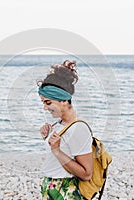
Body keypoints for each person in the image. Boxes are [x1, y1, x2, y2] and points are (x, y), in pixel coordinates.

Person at [38, 60, 93, 200]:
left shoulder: (78, 128)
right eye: (43, 102)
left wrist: (56, 150)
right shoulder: (60, 124)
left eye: (48, 102)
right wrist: (47, 139)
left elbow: (87, 174)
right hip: (50, 188)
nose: (44, 108)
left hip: (64, 191)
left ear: (63, 100)